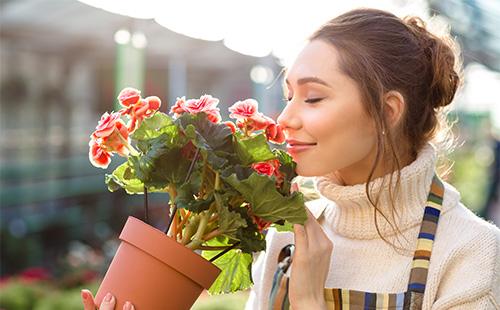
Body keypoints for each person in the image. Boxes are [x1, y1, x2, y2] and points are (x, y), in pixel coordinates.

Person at [82, 8, 500, 310]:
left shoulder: (469, 253)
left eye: (313, 97)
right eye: (288, 96)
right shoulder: (285, 238)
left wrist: (307, 301)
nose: (284, 118)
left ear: (388, 112)